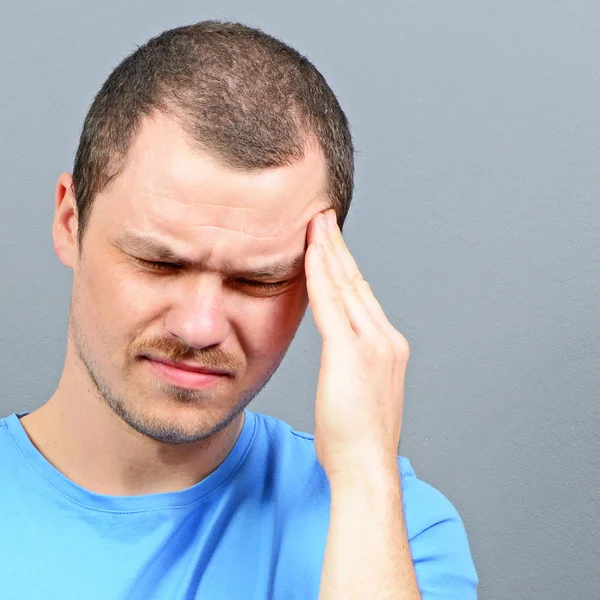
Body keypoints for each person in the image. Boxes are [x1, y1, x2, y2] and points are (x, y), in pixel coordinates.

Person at [0, 21, 478, 599]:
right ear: (69, 222)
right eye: (160, 264)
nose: (199, 327)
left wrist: (364, 476)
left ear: (317, 282)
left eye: (257, 281)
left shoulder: (396, 530)